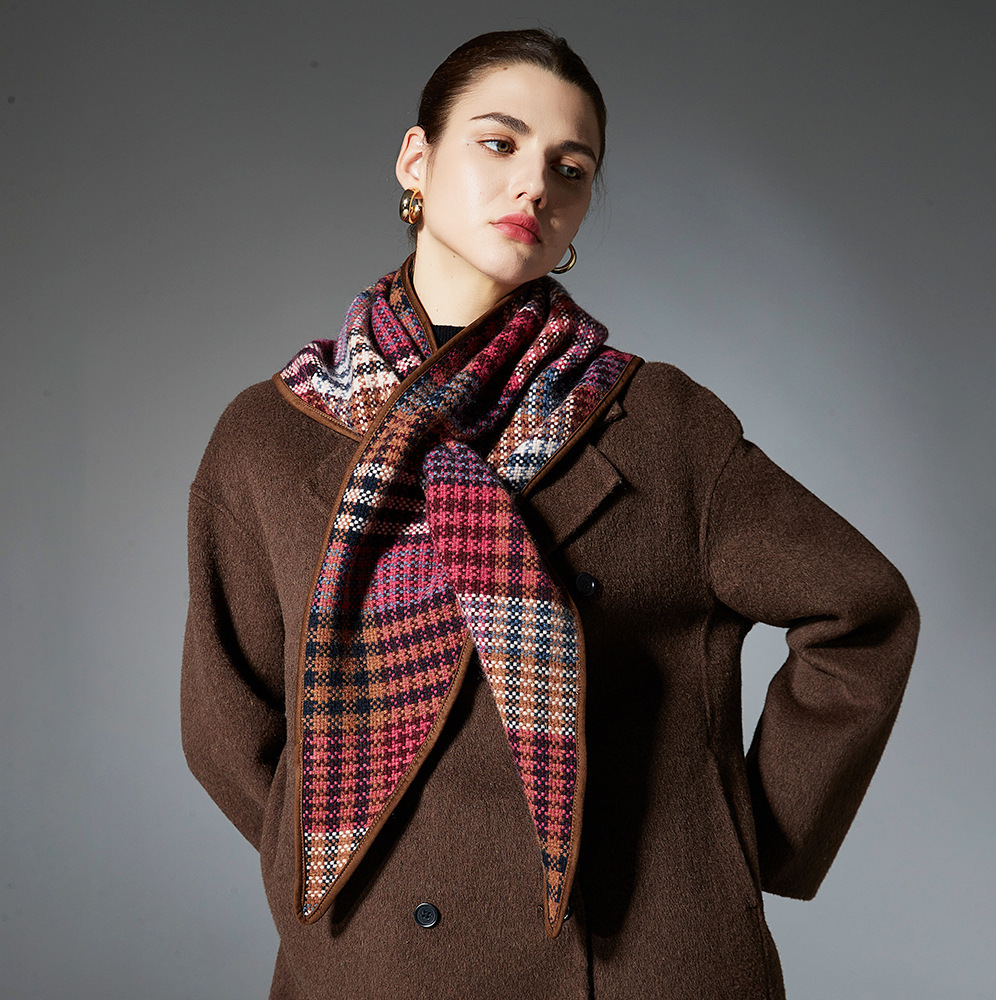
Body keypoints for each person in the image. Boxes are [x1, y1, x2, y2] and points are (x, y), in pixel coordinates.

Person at [181, 28, 919, 1000]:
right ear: (416, 161)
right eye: (499, 142)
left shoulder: (659, 423)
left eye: (570, 168)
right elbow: (229, 724)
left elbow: (861, 610)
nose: (534, 184)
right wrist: (341, 847)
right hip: (373, 963)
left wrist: (748, 840)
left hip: (633, 955)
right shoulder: (269, 437)